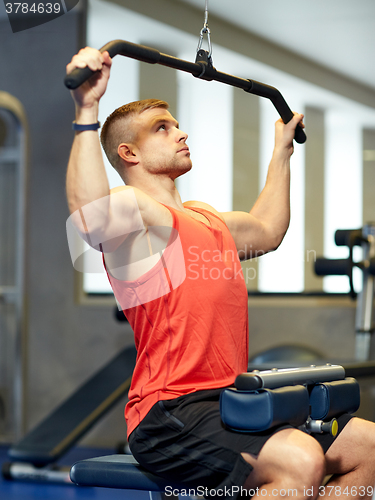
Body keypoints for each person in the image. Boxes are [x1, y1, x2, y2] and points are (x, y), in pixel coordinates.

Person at [66, 47, 375, 499]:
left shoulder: (205, 217)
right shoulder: (135, 215)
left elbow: (268, 230)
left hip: (234, 399)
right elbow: (90, 217)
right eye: (162, 127)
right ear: (128, 152)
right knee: (300, 460)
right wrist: (87, 109)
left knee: (368, 446)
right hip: (170, 413)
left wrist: (282, 152)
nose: (181, 131)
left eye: (176, 122)